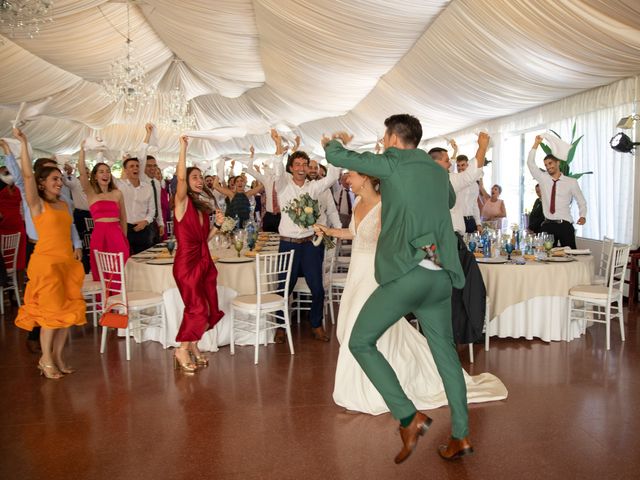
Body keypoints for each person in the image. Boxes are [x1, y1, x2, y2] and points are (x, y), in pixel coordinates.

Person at [324, 114, 471, 463]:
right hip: (440, 275)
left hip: (408, 273)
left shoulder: (391, 161)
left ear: (391, 138)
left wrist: (333, 141)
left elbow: (338, 157)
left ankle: (408, 417)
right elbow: (448, 201)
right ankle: (461, 435)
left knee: (360, 341)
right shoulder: (437, 171)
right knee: (447, 357)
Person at [315, 170, 506, 419]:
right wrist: (329, 231)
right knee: (348, 326)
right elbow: (355, 233)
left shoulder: (387, 206)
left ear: (366, 178)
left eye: (350, 176)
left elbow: (395, 241)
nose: (346, 181)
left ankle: (374, 390)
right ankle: (358, 384)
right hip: (356, 274)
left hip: (376, 274)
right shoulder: (359, 203)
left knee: (361, 329)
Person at [12, 128, 85, 379]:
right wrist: (24, 143)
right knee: (51, 315)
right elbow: (26, 177)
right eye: (54, 179)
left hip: (66, 262)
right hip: (47, 264)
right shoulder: (37, 203)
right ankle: (46, 359)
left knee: (65, 315)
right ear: (42, 182)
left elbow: (71, 228)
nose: (58, 182)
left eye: (59, 179)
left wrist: (76, 247)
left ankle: (59, 358)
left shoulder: (63, 204)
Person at [271, 130, 340, 343]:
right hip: (288, 245)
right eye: (297, 164)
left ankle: (316, 324)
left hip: (311, 244)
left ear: (309, 167)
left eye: (304, 164)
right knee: (284, 287)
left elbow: (333, 176)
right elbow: (276, 170)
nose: (301, 168)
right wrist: (278, 149)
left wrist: (332, 149)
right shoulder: (283, 187)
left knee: (317, 287)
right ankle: (281, 327)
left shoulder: (314, 188)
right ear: (291, 168)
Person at [172, 135, 225, 373]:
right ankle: (181, 348)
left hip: (202, 261)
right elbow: (181, 176)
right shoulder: (181, 203)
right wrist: (183, 148)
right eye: (195, 177)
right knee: (197, 308)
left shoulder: (201, 208)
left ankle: (193, 346)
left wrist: (217, 227)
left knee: (206, 306)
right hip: (186, 264)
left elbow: (203, 240)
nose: (199, 180)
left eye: (201, 177)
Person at [77, 143, 129, 281]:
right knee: (102, 272)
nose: (105, 174)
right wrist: (82, 150)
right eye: (101, 171)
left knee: (120, 269)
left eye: (107, 171)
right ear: (95, 176)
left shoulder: (117, 193)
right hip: (100, 234)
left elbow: (123, 218)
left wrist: (124, 238)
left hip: (117, 234)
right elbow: (82, 172)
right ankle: (105, 300)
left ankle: (120, 299)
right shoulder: (91, 193)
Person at [527, 135, 586, 248]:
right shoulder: (543, 178)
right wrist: (536, 144)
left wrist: (582, 215)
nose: (548, 167)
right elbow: (530, 163)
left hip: (565, 225)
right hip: (548, 225)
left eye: (550, 163)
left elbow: (581, 201)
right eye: (545, 165)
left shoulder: (571, 182)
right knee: (545, 257)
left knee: (571, 256)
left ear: (558, 163)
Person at [455, 154, 482, 233]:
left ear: (468, 165)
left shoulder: (474, 185)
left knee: (471, 244)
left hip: (470, 221)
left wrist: (478, 223)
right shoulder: (454, 181)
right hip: (457, 221)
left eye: (463, 165)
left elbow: (475, 204)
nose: (460, 168)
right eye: (458, 165)